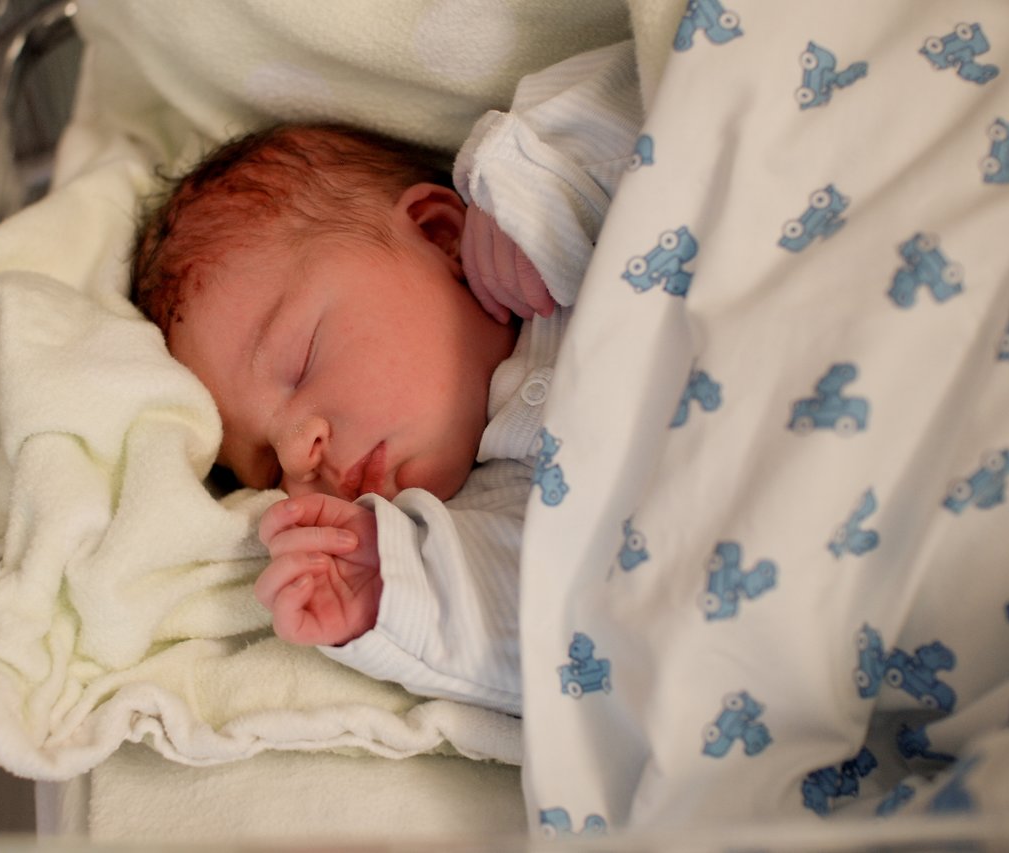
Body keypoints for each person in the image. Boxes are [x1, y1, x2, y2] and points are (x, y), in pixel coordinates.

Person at [131, 42, 639, 716]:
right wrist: (393, 591)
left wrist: (538, 178)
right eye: (263, 470)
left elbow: (691, 85)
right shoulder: (479, 522)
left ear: (439, 233)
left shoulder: (565, 205)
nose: (295, 456)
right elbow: (583, 643)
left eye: (299, 360)